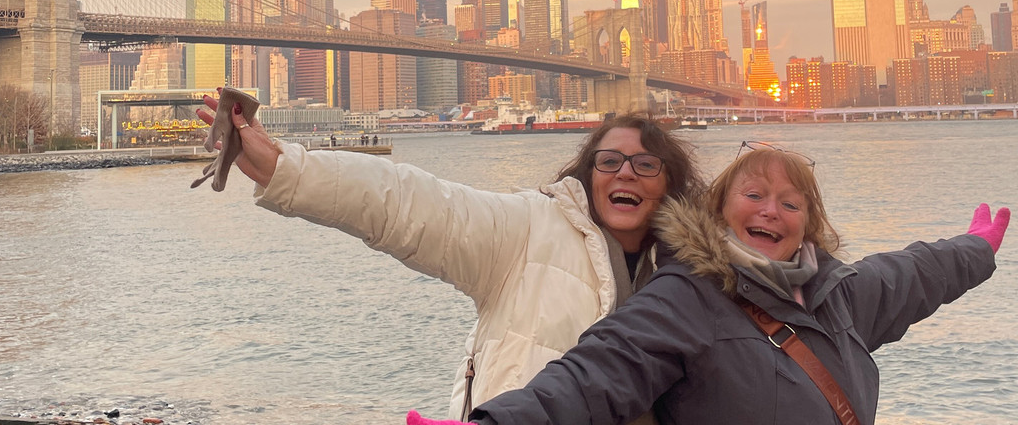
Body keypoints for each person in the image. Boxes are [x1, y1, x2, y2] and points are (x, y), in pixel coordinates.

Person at [410, 144, 1009, 425]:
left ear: (809, 221)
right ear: (722, 209)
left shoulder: (839, 294)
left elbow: (913, 274)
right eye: (754, 196)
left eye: (790, 202)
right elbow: (596, 373)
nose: (771, 211)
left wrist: (974, 251)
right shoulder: (687, 298)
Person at [197, 93, 704, 420]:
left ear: (669, 182)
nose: (624, 173)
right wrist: (288, 170)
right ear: (588, 174)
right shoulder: (529, 229)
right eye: (608, 160)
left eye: (645, 164)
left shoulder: (692, 277)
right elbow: (412, 203)